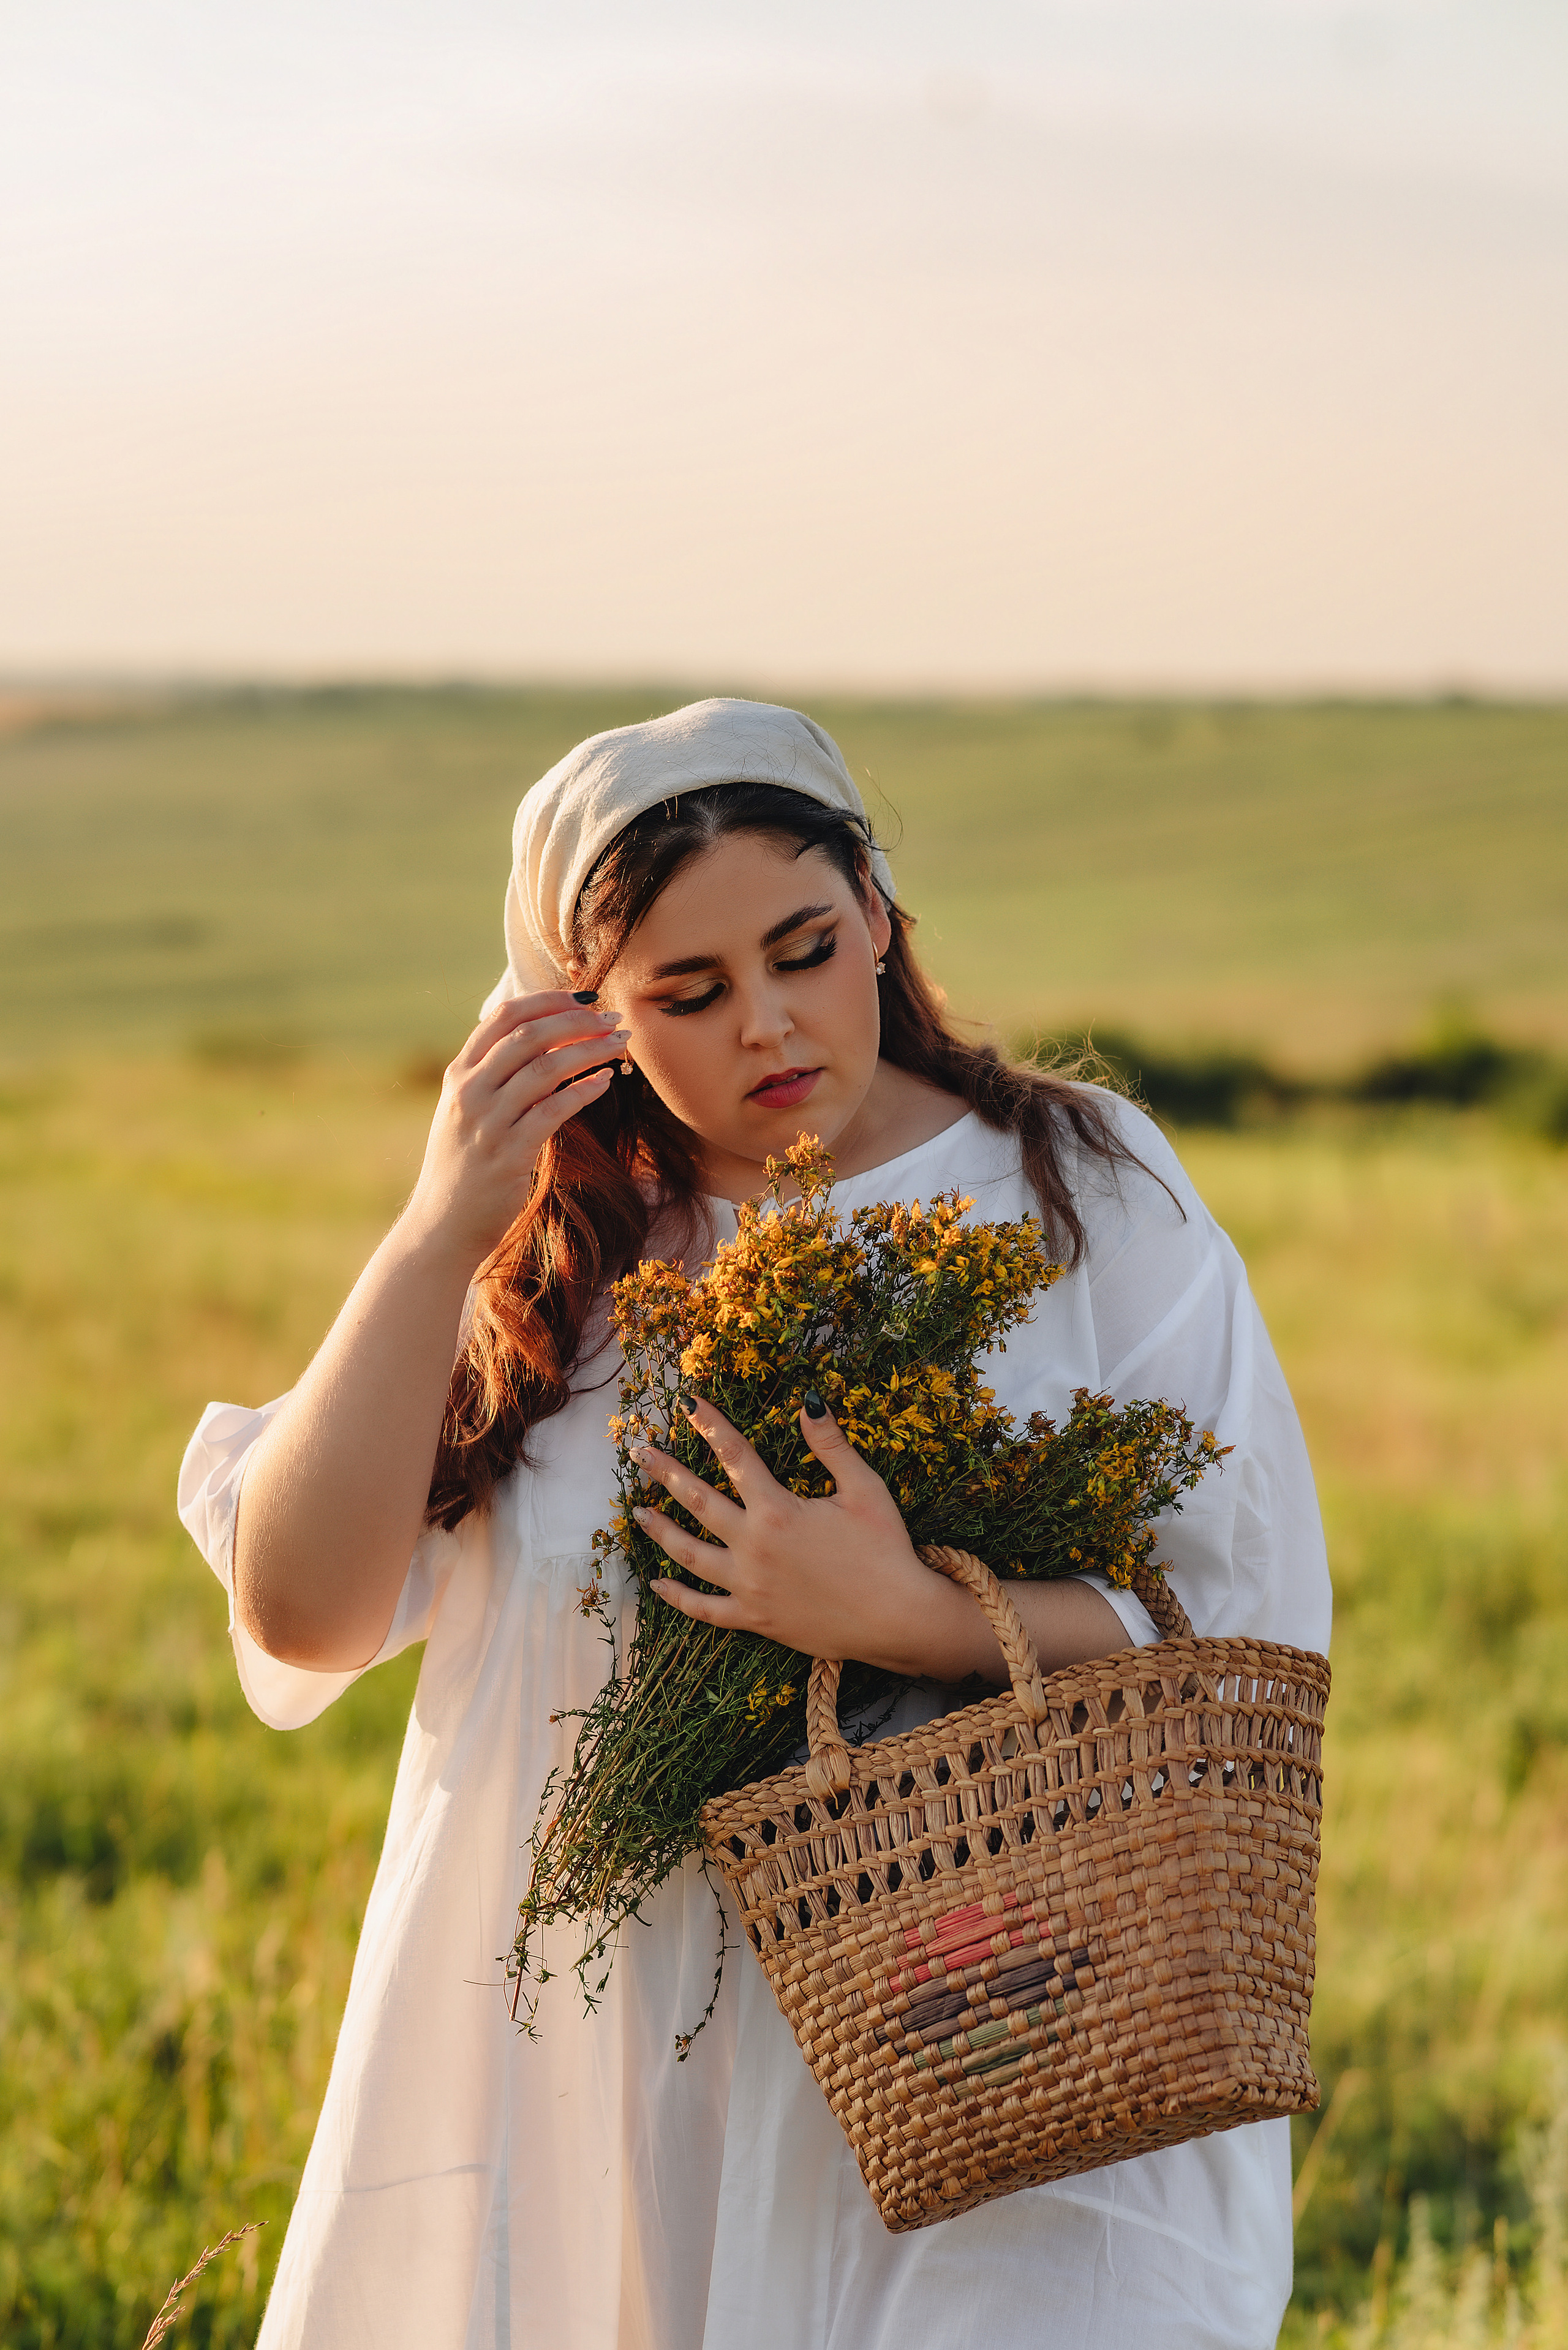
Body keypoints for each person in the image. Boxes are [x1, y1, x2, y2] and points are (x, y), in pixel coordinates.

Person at [179, 697, 1331, 2350]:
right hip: (601, 2065)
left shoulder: (1083, 1189)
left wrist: (915, 1614)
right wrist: (440, 1233)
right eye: (690, 992)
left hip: (990, 2027)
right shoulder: (561, 1264)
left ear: (875, 909)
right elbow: (300, 1616)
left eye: (803, 947)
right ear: (588, 1017)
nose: (770, 1025)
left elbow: (1247, 1638)